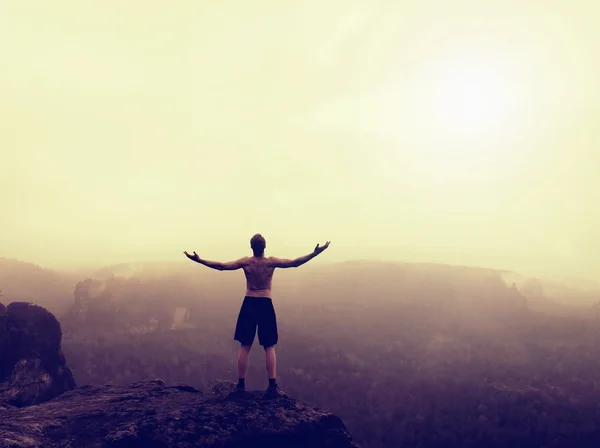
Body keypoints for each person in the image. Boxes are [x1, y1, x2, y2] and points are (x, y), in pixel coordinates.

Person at [184, 234, 330, 398]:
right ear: (265, 246)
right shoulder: (270, 262)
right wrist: (315, 253)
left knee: (245, 345)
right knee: (269, 345)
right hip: (265, 303)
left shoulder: (246, 262)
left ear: (251, 247)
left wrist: (199, 260)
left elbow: (221, 266)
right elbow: (295, 263)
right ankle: (272, 386)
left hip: (249, 303)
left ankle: (240, 385)